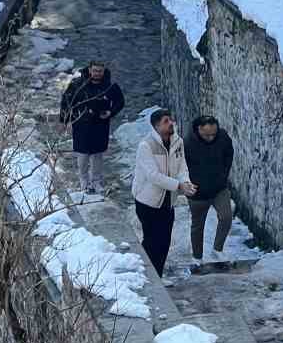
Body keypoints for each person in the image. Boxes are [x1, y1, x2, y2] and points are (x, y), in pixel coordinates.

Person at [131, 108, 194, 276]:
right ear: (156, 126)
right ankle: (146, 275)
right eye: (166, 121)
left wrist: (185, 182)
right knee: (152, 241)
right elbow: (153, 176)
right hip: (148, 201)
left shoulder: (177, 142)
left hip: (168, 200)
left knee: (165, 241)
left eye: (171, 120)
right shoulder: (146, 146)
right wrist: (178, 186)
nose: (171, 123)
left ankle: (157, 275)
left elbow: (182, 166)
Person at [60, 62, 124, 193]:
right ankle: (84, 180)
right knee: (82, 155)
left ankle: (96, 181)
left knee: (97, 155)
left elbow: (120, 101)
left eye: (100, 71)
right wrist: (64, 120)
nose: (97, 74)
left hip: (100, 124)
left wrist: (111, 112)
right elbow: (66, 101)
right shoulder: (78, 84)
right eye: (95, 71)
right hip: (81, 123)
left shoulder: (109, 86)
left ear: (103, 71)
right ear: (90, 70)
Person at [186, 115, 234, 264]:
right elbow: (181, 165)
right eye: (207, 135)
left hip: (219, 188)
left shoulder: (223, 136)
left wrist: (223, 175)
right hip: (198, 192)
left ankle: (217, 249)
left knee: (226, 217)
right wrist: (187, 184)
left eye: (214, 134)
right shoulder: (187, 142)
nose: (211, 137)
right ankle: (197, 257)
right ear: (199, 129)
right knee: (198, 225)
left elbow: (229, 154)